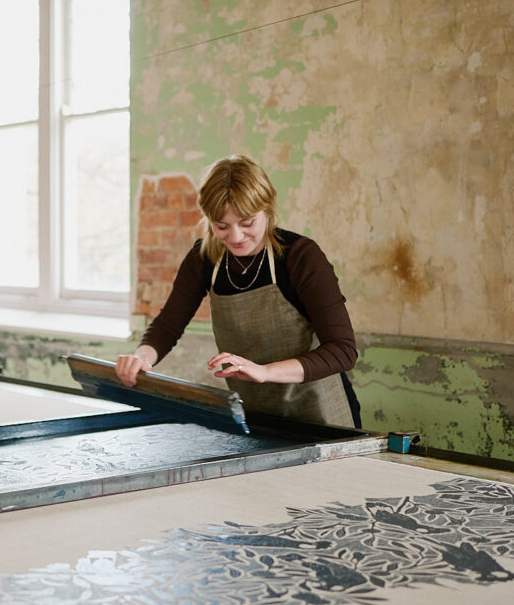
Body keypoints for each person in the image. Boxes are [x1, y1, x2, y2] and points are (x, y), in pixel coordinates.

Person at [116, 154, 359, 427]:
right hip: (252, 415)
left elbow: (342, 351)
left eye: (247, 223)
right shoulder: (203, 258)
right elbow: (168, 325)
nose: (235, 237)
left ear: (267, 209)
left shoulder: (300, 256)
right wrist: (141, 358)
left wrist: (264, 371)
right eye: (221, 226)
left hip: (320, 414)